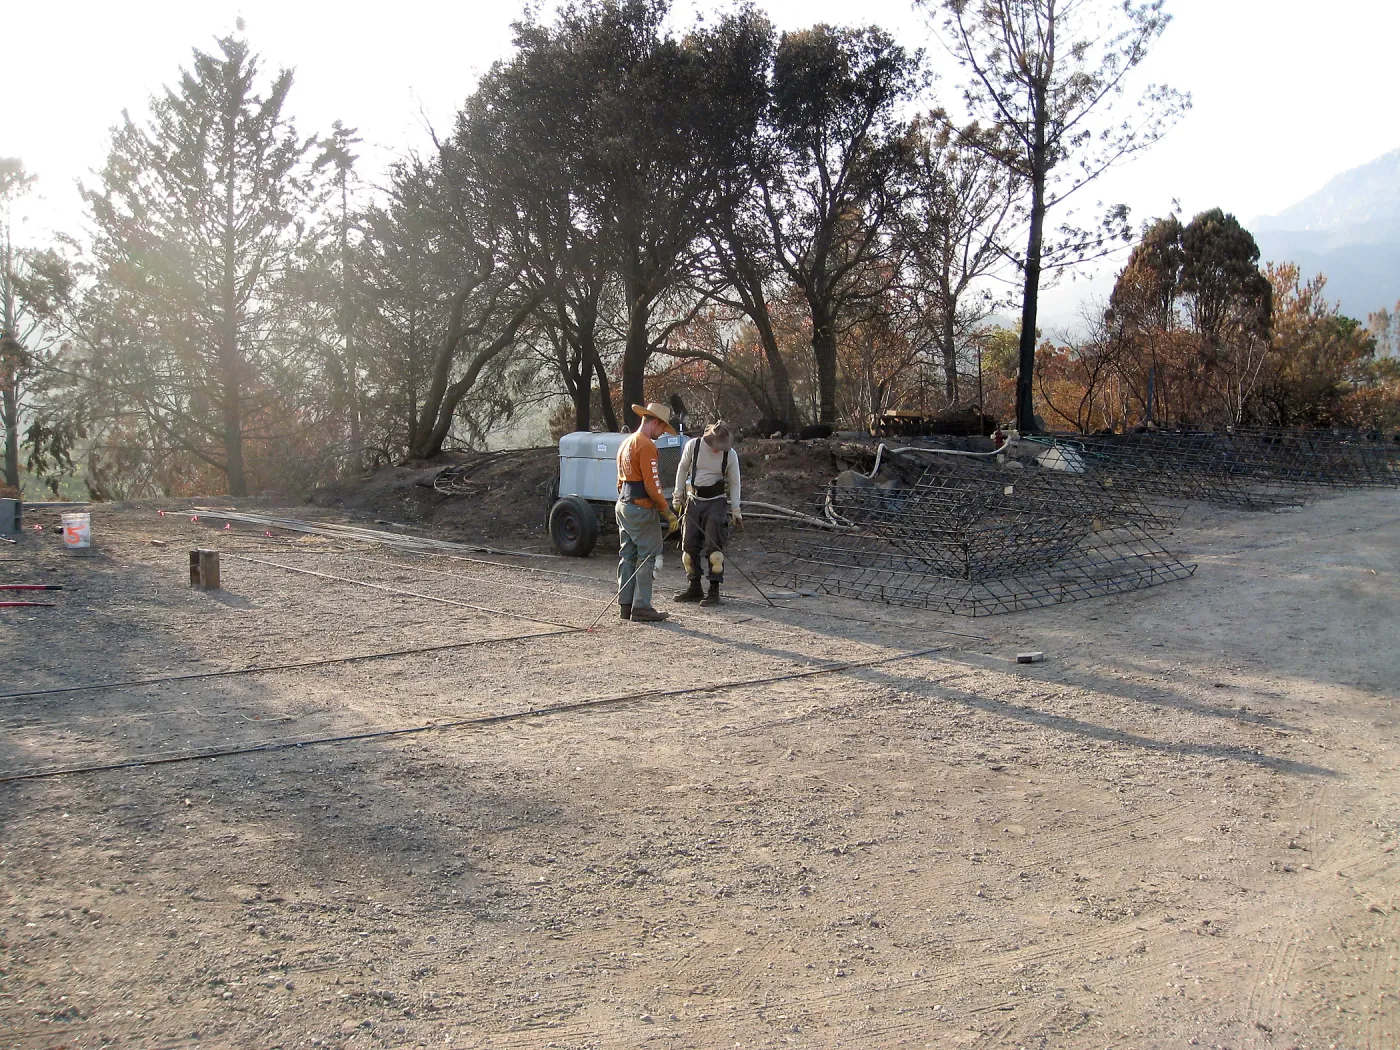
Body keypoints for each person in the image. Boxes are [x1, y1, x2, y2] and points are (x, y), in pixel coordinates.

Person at [616, 402, 681, 623]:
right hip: (640, 508)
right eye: (662, 428)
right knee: (649, 555)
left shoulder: (625, 443)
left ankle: (625, 605)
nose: (662, 433)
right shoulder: (646, 445)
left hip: (623, 504)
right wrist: (667, 512)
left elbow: (619, 481)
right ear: (654, 422)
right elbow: (653, 485)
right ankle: (642, 607)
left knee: (628, 555)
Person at [671, 420, 741, 607]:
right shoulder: (693, 446)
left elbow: (734, 483)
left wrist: (736, 509)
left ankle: (714, 590)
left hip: (716, 501)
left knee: (714, 549)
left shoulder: (730, 455)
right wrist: (678, 494)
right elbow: (682, 468)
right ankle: (694, 587)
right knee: (688, 546)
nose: (718, 448)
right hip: (694, 500)